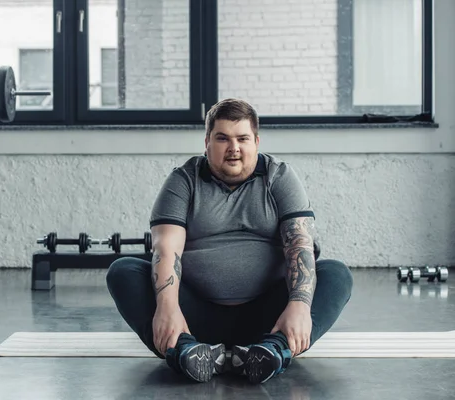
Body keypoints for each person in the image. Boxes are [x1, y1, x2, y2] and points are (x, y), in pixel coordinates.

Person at [106, 98, 353, 384]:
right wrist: (168, 308)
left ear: (256, 142)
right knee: (123, 271)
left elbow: (299, 243)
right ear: (207, 142)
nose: (233, 148)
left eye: (242, 139)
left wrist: (298, 305)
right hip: (195, 316)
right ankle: (187, 352)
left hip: (268, 316)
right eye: (222, 138)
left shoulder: (279, 176)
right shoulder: (183, 180)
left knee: (336, 274)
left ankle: (272, 352)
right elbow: (166, 247)